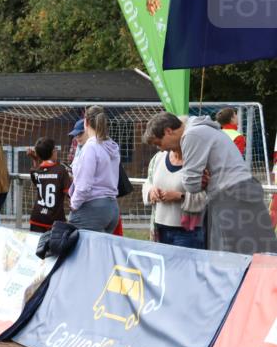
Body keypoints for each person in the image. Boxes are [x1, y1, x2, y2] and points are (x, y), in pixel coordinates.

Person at [143, 112, 277, 254]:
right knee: (260, 252)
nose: (161, 149)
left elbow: (191, 184)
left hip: (231, 195)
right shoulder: (202, 130)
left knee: (230, 257)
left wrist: (198, 179)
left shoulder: (191, 135)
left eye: (159, 143)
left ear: (168, 131)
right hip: (241, 191)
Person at [142, 141, 207, 248]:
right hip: (160, 229)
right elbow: (148, 182)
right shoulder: (158, 158)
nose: (159, 146)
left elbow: (206, 197)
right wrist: (150, 191)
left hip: (188, 232)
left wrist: (179, 196)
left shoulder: (197, 161)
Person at [68, 106, 120, 234]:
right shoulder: (111, 145)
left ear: (86, 122)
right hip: (112, 207)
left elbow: (84, 185)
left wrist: (74, 204)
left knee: (80, 251)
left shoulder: (91, 147)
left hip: (92, 206)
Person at [28, 138, 72, 233]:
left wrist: (35, 159)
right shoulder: (61, 170)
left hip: (37, 219)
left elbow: (38, 173)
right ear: (54, 151)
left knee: (38, 247)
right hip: (55, 221)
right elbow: (70, 193)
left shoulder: (35, 171)